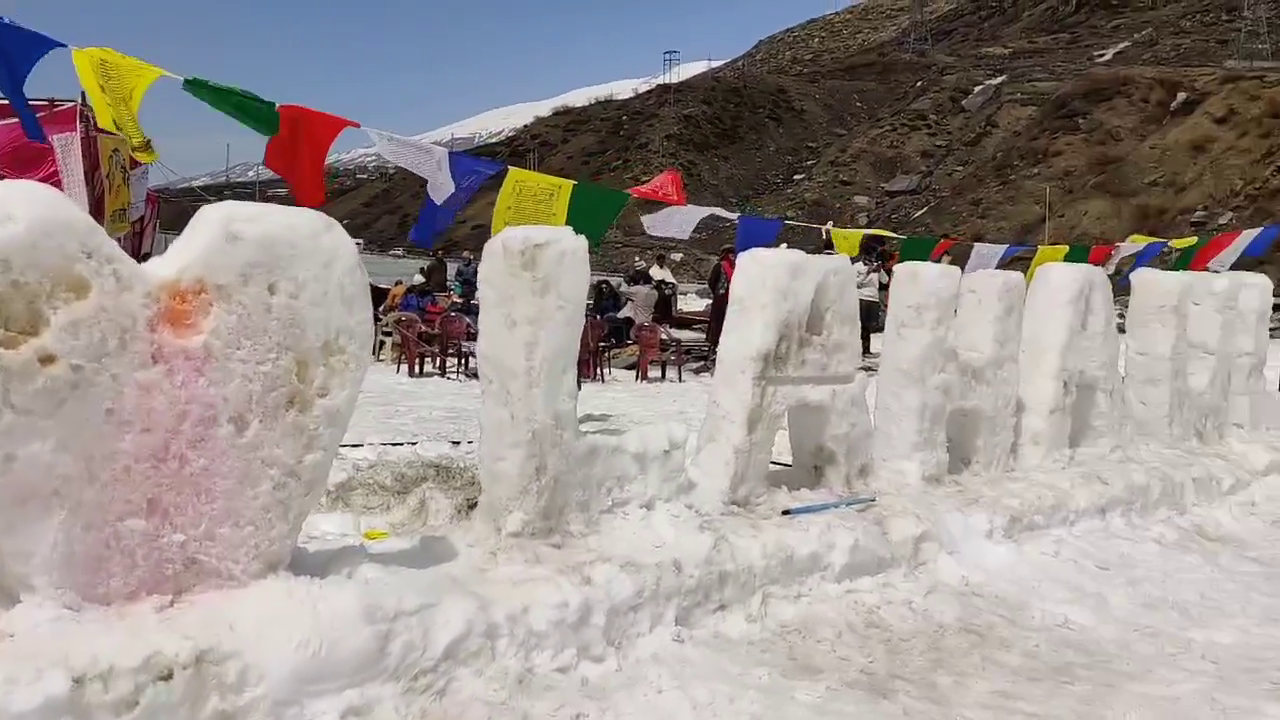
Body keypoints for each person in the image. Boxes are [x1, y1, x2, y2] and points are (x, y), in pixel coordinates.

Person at [851, 248, 889, 358]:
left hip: (873, 299)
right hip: (862, 297)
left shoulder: (875, 266)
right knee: (861, 325)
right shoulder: (857, 267)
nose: (871, 260)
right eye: (869, 258)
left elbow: (885, 280)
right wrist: (867, 273)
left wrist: (880, 270)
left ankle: (866, 349)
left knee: (870, 326)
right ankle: (860, 349)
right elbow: (855, 283)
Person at [705, 244, 735, 355]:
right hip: (725, 300)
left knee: (720, 323)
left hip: (725, 299)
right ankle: (715, 345)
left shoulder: (729, 266)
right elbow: (712, 282)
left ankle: (717, 345)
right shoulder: (724, 267)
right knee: (719, 323)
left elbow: (712, 282)